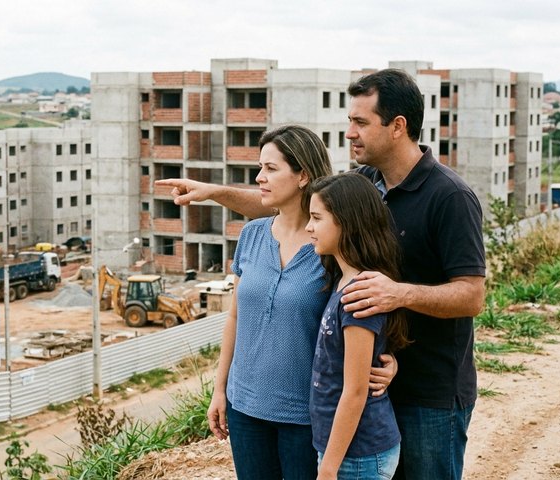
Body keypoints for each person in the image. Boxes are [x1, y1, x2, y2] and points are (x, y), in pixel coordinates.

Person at [156, 69, 486, 480]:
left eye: (360, 122)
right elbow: (289, 205)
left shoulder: (449, 197)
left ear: (397, 126)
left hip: (430, 390)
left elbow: (472, 296)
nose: (349, 133)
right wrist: (214, 192)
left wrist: (396, 295)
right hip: (370, 382)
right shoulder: (363, 185)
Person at [208, 125, 332, 479]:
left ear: (303, 174)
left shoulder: (331, 246)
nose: (260, 178)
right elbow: (235, 317)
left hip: (306, 416)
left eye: (271, 169)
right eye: (260, 168)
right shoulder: (252, 234)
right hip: (244, 409)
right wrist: (220, 390)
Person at [306, 173, 409, 480]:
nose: (309, 227)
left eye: (316, 218)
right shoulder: (344, 281)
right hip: (347, 450)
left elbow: (354, 391)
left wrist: (328, 468)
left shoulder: (359, 295)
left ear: (345, 222)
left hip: (358, 455)